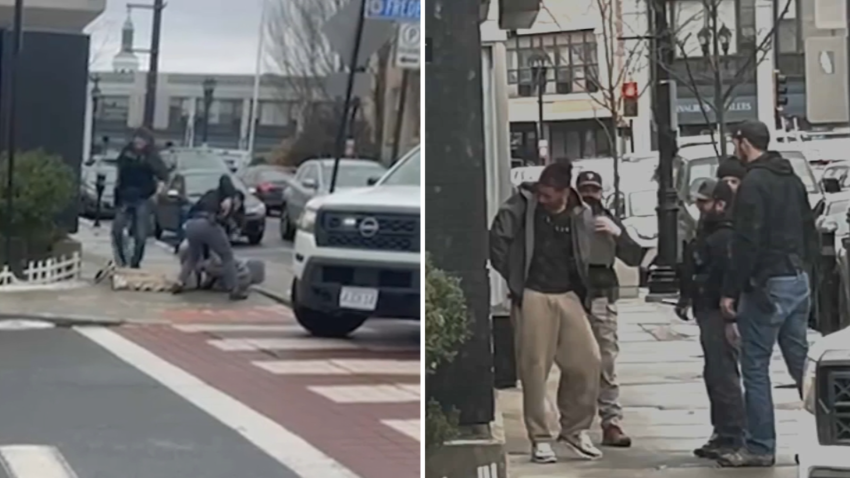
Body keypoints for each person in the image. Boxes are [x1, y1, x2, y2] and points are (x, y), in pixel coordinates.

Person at [717, 120, 818, 467]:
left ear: (744, 143)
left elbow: (747, 241)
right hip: (796, 277)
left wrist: (731, 290)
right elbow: (809, 227)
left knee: (756, 366)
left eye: (735, 141)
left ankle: (760, 446)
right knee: (802, 364)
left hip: (767, 283)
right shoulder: (791, 179)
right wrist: (807, 270)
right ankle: (832, 433)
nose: (734, 147)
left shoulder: (753, 184)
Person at [489, 162, 602, 463]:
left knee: (588, 362)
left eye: (549, 195)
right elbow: (498, 239)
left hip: (567, 293)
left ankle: (575, 429)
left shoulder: (581, 213)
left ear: (565, 192)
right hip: (534, 292)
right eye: (541, 192)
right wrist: (516, 281)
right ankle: (540, 438)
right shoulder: (522, 206)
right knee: (534, 369)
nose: (543, 199)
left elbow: (587, 251)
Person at [678, 178, 746, 459]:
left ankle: (732, 434)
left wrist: (728, 313)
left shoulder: (724, 237)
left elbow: (724, 274)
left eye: (704, 202)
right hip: (707, 308)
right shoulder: (709, 233)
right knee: (715, 374)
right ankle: (724, 432)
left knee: (723, 374)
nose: (700, 207)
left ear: (719, 203)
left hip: (718, 311)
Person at [575, 171, 643, 448]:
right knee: (575, 363)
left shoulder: (609, 219)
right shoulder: (569, 219)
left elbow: (634, 256)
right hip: (574, 294)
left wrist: (617, 234)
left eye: (595, 189)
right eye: (585, 190)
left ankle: (610, 421)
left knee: (606, 361)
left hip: (602, 292)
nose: (590, 194)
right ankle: (574, 425)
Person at [172, 174, 247, 301]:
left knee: (193, 257)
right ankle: (234, 289)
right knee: (227, 256)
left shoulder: (209, 194)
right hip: (208, 222)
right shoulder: (230, 198)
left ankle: (179, 282)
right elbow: (224, 178)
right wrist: (230, 197)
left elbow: (192, 210)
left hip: (192, 224)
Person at [112, 127, 168, 268]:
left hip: (143, 197)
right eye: (136, 139)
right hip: (125, 196)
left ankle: (135, 262)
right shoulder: (126, 153)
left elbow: (163, 175)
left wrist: (158, 192)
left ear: (147, 142)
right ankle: (122, 260)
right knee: (117, 229)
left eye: (141, 140)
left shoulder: (152, 157)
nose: (138, 142)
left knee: (141, 235)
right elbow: (120, 171)